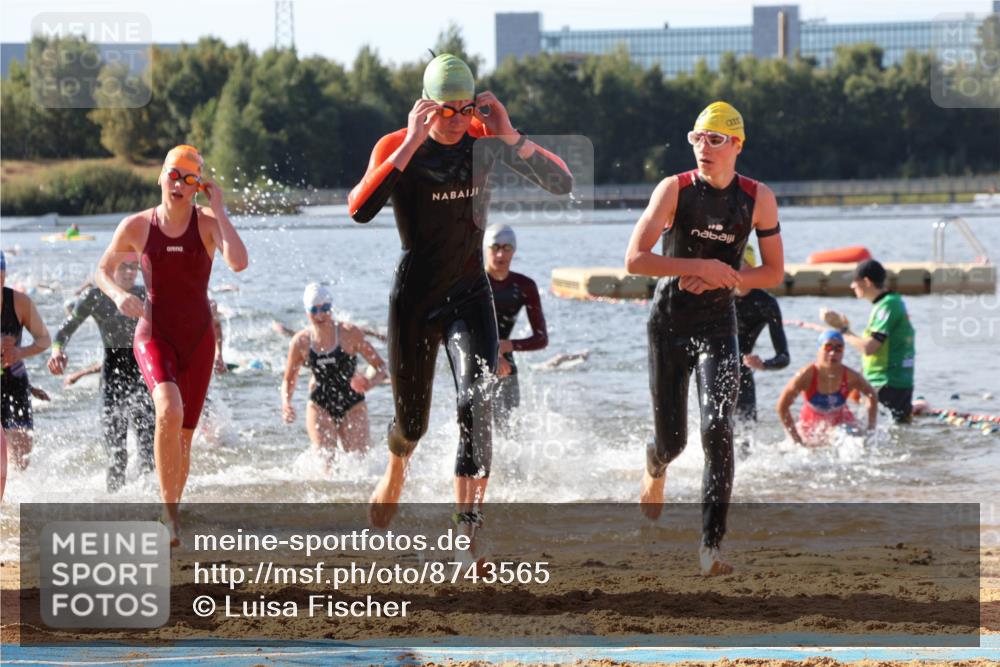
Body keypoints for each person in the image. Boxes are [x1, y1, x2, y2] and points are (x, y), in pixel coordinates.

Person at [349, 54, 573, 531]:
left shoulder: (484, 139)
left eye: (463, 108)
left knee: (476, 401)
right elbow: (360, 210)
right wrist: (410, 141)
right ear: (425, 105)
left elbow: (562, 182)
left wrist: (509, 133)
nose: (454, 120)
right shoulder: (397, 144)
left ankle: (467, 532)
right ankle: (396, 468)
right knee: (413, 425)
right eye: (443, 109)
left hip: (470, 295)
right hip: (414, 300)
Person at [624, 101, 784, 575]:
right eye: (697, 138)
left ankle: (711, 548)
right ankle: (655, 466)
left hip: (718, 325)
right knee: (673, 443)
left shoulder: (758, 198)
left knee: (719, 428)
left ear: (737, 145)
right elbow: (635, 260)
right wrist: (697, 267)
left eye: (715, 139)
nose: (704, 148)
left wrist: (727, 277)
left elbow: (773, 272)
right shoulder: (674, 190)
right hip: (669, 322)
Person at [95, 145, 248, 546]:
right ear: (160, 177)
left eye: (188, 178)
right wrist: (116, 295)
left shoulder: (209, 223)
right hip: (154, 334)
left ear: (198, 185)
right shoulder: (138, 226)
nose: (178, 184)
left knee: (183, 437)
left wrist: (222, 210)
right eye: (172, 175)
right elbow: (102, 270)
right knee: (168, 408)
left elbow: (239, 262)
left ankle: (173, 513)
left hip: (199, 340)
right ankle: (167, 513)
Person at [47, 254, 155, 492]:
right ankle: (114, 505)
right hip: (112, 378)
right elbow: (64, 331)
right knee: (117, 455)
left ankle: (151, 506)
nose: (129, 273)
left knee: (149, 451)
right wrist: (56, 352)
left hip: (142, 377)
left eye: (134, 268)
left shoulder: (146, 295)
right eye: (124, 267)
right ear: (110, 271)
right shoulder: (94, 297)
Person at [281, 283, 387, 468]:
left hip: (353, 403)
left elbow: (381, 367)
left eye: (325, 308)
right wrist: (286, 403)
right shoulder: (301, 342)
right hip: (320, 405)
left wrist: (369, 383)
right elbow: (289, 379)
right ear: (307, 312)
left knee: (360, 464)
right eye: (314, 310)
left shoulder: (349, 333)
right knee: (325, 465)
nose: (320, 315)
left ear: (331, 308)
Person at [832, 260, 916, 424]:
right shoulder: (886, 304)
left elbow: (869, 348)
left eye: (854, 281)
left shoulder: (888, 305)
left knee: (874, 435)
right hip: (888, 382)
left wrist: (842, 330)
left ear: (867, 282)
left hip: (887, 383)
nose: (851, 286)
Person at [484, 224, 548, 434]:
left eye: (507, 248)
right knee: (474, 427)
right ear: (485, 249)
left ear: (514, 250)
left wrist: (507, 345)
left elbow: (541, 339)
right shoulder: (474, 283)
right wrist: (493, 349)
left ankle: (513, 467)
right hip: (475, 359)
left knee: (508, 430)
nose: (501, 254)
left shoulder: (524, 286)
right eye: (495, 247)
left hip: (506, 364)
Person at [776, 331, 878, 446]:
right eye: (828, 347)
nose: (832, 353)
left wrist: (871, 429)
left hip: (842, 422)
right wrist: (796, 439)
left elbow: (871, 395)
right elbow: (781, 406)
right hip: (811, 425)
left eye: (838, 348)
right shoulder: (807, 375)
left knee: (853, 441)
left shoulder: (850, 376)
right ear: (819, 349)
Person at [734, 245, 790, 452]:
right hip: (714, 370)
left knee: (745, 442)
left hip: (744, 374)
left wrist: (764, 364)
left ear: (752, 268)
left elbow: (783, 356)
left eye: (738, 264)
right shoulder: (718, 296)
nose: (733, 270)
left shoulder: (765, 303)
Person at [1, 250, 52, 471]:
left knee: (21, 454)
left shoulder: (19, 302)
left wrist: (20, 352)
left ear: (4, 274)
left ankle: (14, 499)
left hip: (15, 381)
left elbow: (44, 339)